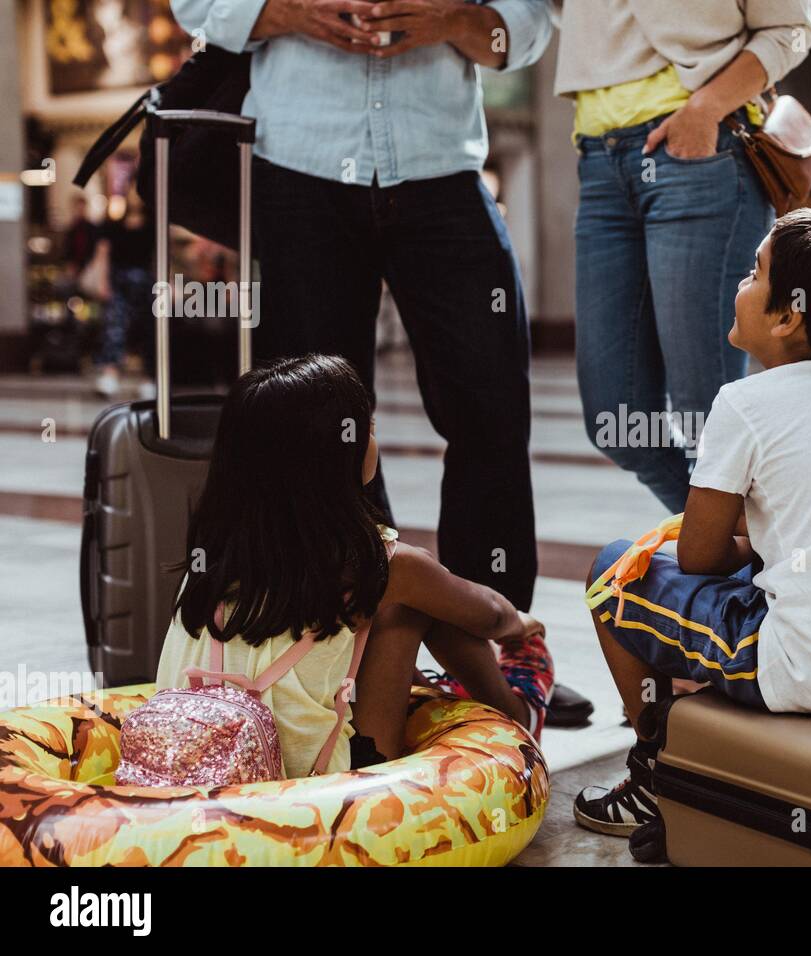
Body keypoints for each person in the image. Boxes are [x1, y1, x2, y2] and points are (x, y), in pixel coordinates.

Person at [172, 1, 593, 725]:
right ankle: (359, 644)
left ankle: (500, 644)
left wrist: (451, 20)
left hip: (442, 167)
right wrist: (290, 13)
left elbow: (523, 25)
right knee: (318, 423)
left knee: (491, 403)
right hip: (298, 169)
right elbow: (196, 6)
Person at [573, 209, 811, 836]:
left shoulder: (745, 404)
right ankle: (698, 741)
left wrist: (742, 550)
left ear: (787, 316)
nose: (740, 285)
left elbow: (695, 557)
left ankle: (653, 773)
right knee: (734, 594)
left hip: (808, 671)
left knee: (614, 570)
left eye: (754, 273)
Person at [155, 355, 554, 774]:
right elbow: (488, 614)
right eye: (370, 429)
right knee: (413, 607)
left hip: (192, 758)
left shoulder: (215, 550)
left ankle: (439, 691)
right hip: (317, 788)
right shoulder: (381, 563)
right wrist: (519, 625)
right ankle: (518, 715)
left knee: (374, 615)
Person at [554, 0, 811, 513]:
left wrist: (705, 109)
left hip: (700, 151)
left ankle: (749, 575)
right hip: (600, 162)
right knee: (618, 423)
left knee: (707, 416)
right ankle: (754, 551)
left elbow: (790, 29)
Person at [89, 189, 153, 398]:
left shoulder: (154, 224)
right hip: (119, 282)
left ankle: (148, 378)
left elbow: (161, 255)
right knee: (113, 327)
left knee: (148, 329)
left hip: (147, 283)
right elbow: (103, 253)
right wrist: (102, 281)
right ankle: (110, 374)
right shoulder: (113, 225)